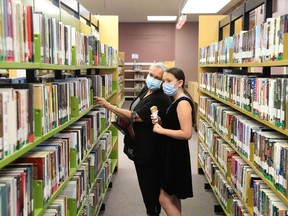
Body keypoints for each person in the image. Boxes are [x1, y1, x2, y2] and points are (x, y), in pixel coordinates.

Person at [94, 62, 171, 216]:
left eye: (157, 77)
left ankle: (153, 212)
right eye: (151, 75)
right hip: (139, 147)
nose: (153, 79)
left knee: (150, 190)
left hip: (150, 152)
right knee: (145, 188)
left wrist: (110, 106)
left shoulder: (161, 98)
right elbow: (135, 109)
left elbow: (136, 116)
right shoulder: (147, 89)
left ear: (163, 81)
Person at [151, 67, 194, 216]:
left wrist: (162, 131)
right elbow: (176, 124)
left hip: (176, 154)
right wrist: (161, 122)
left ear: (180, 83)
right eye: (163, 81)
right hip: (171, 151)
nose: (165, 84)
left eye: (169, 81)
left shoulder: (183, 103)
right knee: (173, 196)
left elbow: (187, 133)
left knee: (164, 198)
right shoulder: (174, 100)